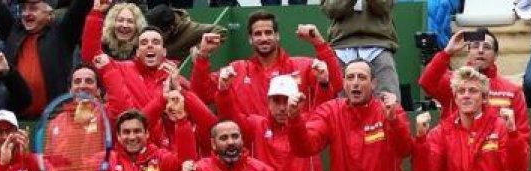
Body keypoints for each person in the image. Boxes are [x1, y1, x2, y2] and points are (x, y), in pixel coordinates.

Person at [419, 28, 531, 171]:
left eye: (487, 47)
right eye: (475, 46)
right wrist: (447, 52)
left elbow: (522, 135)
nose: (480, 50)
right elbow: (427, 82)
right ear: (468, 52)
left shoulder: (512, 91)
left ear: (496, 56)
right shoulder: (454, 83)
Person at [191, 12, 342, 121]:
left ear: (277, 36)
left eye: (268, 32)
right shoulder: (237, 70)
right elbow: (202, 95)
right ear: (250, 39)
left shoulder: (303, 66)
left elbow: (336, 85)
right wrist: (203, 56)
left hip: (297, 155)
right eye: (258, 34)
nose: (264, 38)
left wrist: (320, 43)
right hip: (255, 157)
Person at [0, 0, 92, 117]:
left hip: (53, 119)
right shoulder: (13, 31)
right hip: (15, 119)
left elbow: (80, 7)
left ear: (49, 14)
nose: (26, 13)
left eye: (33, 9)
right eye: (24, 9)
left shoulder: (62, 33)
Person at [321, 0, 401, 98]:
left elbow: (384, 6)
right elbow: (331, 10)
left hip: (378, 43)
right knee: (337, 98)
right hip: (342, 44)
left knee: (388, 96)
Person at [145, 3, 228, 62]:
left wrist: (199, 49)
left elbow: (221, 31)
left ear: (171, 28)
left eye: (160, 33)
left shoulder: (190, 30)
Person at [83, 0, 149, 62]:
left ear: (138, 27)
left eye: (130, 21)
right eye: (120, 20)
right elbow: (90, 59)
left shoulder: (143, 52)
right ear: (111, 24)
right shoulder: (101, 47)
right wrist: (96, 13)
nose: (125, 25)